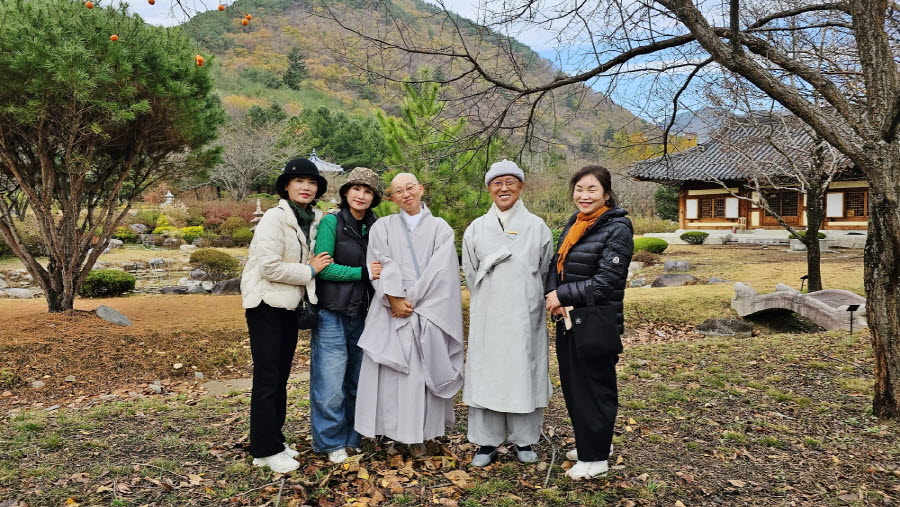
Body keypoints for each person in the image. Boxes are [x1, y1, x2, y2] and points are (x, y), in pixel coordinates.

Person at [354, 172, 464, 446]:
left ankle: (422, 435)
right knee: (392, 374)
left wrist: (409, 300)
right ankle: (391, 432)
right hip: (390, 308)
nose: (406, 194)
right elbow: (378, 265)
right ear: (392, 198)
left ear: (421, 189)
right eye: (398, 191)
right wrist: (393, 298)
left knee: (422, 374)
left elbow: (442, 272)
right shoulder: (382, 227)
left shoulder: (440, 228)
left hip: (427, 309)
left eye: (410, 187)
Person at [241, 158, 333, 474]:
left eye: (312, 182)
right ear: (286, 186)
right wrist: (310, 270)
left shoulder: (311, 219)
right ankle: (264, 450)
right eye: (299, 181)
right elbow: (269, 266)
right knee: (268, 377)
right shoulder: (274, 218)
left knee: (280, 377)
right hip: (266, 305)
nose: (306, 187)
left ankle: (275, 441)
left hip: (289, 306)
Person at [461, 160, 554, 466]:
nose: (504, 188)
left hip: (524, 313)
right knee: (488, 373)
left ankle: (524, 439)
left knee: (523, 373)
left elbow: (544, 269)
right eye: (497, 183)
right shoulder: (476, 228)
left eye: (510, 182)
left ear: (521, 187)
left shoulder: (537, 226)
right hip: (488, 313)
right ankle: (486, 441)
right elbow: (470, 271)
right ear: (489, 189)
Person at [544, 165, 633, 480]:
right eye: (579, 189)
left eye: (592, 189)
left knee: (594, 388)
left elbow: (606, 282)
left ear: (606, 194)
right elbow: (557, 263)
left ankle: (596, 459)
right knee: (575, 387)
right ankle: (592, 444)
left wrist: (561, 295)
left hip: (596, 321)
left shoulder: (617, 228)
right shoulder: (577, 222)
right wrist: (552, 293)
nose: (584, 195)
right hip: (570, 319)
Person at [310, 167, 384, 464]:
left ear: (374, 198)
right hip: (332, 311)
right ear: (346, 192)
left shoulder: (377, 227)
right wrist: (362, 273)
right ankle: (330, 442)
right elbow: (324, 268)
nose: (361, 195)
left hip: (365, 313)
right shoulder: (332, 222)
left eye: (367, 191)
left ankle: (354, 437)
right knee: (330, 384)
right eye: (356, 189)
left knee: (357, 381)